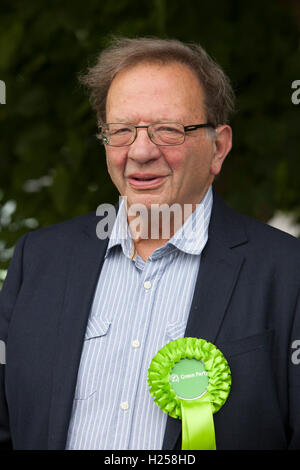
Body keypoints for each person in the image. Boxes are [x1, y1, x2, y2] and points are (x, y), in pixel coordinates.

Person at [0, 37, 300, 451]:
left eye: (168, 131)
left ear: (219, 147)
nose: (140, 151)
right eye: (122, 131)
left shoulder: (287, 272)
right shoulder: (39, 260)